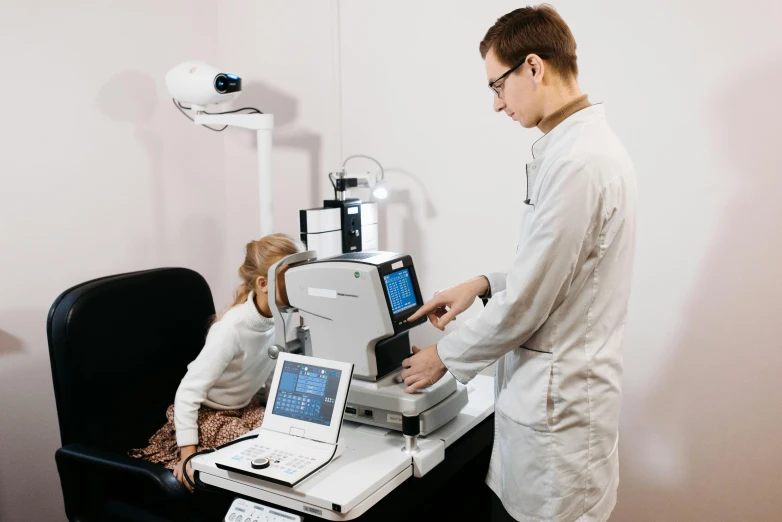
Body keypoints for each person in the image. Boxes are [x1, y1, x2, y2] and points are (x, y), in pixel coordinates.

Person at [401, 5, 638, 521]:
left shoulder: (579, 162)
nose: (496, 104)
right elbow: (566, 273)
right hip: (547, 408)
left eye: (497, 86)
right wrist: (483, 283)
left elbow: (531, 298)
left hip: (559, 425)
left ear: (533, 66)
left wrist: (443, 355)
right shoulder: (570, 150)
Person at [129, 233, 304, 491]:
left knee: (293, 433)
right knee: (252, 447)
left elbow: (268, 367)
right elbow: (188, 393)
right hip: (207, 413)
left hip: (244, 407)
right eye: (293, 279)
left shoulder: (283, 317)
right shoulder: (231, 329)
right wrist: (187, 454)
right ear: (263, 283)